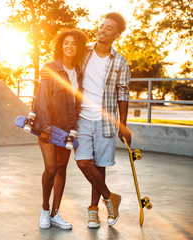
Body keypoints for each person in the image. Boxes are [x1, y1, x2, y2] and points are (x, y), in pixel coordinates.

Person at [74, 12, 131, 228]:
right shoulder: (83, 53)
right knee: (83, 162)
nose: (102, 30)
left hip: (105, 121)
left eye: (108, 28)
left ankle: (93, 209)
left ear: (116, 34)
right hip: (81, 119)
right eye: (101, 26)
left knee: (99, 167)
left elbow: (123, 94)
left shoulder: (121, 62)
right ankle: (110, 198)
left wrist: (123, 125)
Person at [33, 29, 88, 230]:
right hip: (48, 128)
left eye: (74, 43)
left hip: (67, 130)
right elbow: (41, 100)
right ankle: (45, 210)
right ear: (60, 45)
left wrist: (73, 129)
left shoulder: (80, 72)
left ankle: (56, 213)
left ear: (79, 47)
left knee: (62, 170)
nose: (69, 46)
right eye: (66, 43)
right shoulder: (50, 68)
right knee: (50, 169)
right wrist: (45, 127)